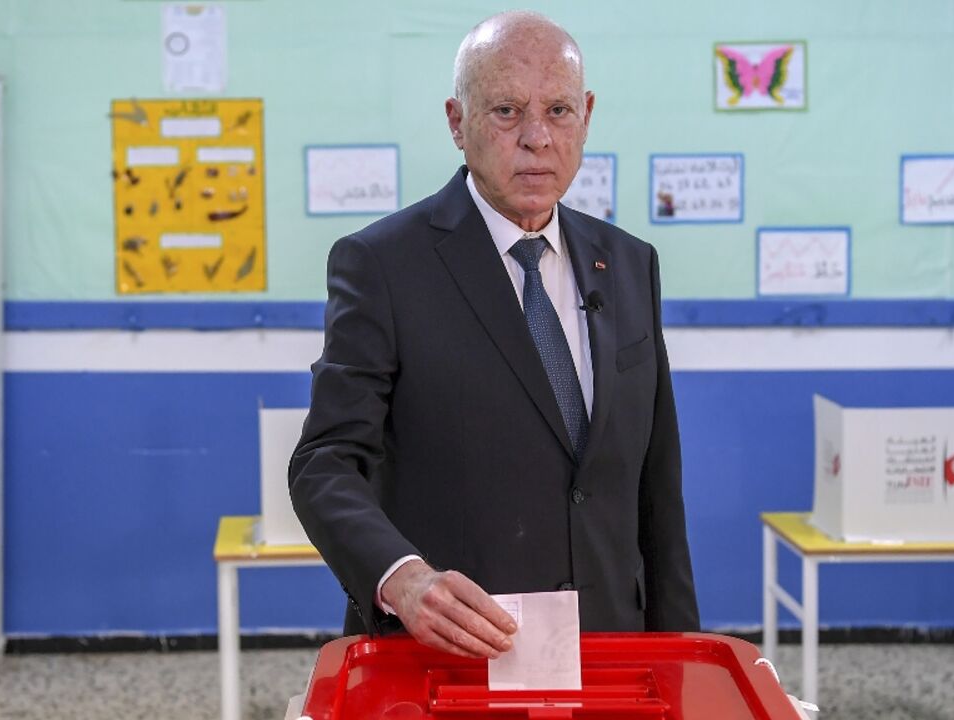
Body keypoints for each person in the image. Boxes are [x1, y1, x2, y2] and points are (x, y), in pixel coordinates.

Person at [289, 10, 698, 660]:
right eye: (507, 111)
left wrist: (680, 654)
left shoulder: (627, 264)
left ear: (586, 115)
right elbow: (324, 463)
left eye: (559, 111)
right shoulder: (385, 265)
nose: (537, 137)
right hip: (454, 656)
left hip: (611, 651)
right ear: (458, 121)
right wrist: (402, 578)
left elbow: (657, 486)